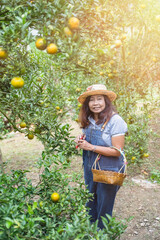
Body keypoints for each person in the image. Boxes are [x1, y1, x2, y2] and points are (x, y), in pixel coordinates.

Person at [75, 84, 128, 229]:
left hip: (108, 166)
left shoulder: (115, 121)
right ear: (88, 103)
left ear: (106, 101)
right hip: (89, 164)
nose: (95, 103)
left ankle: (102, 232)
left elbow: (117, 151)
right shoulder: (89, 119)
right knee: (90, 197)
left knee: (105, 201)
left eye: (99, 99)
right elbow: (89, 138)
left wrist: (91, 147)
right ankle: (90, 227)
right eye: (92, 100)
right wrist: (82, 139)